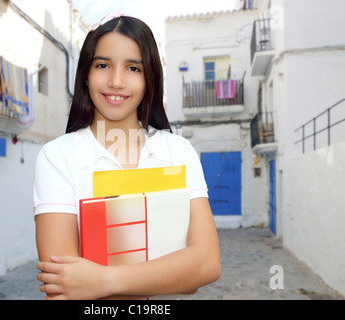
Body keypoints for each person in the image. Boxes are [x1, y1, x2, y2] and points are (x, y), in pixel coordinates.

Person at [33, 13, 221, 300]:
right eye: (103, 65)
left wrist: (103, 280)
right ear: (85, 74)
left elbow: (206, 264)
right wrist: (172, 276)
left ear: (150, 79)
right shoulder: (57, 157)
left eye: (133, 68)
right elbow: (65, 287)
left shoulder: (178, 152)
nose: (116, 81)